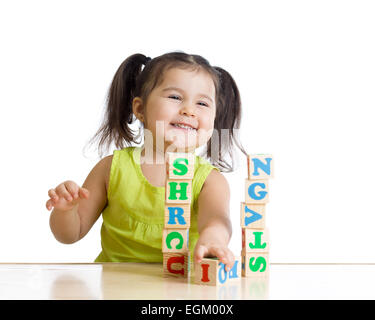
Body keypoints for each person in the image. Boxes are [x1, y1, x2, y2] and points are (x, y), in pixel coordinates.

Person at [46, 51, 246, 271]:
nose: (189, 110)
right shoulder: (111, 168)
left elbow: (217, 220)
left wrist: (213, 240)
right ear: (140, 109)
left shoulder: (209, 180)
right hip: (114, 289)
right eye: (175, 97)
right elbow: (70, 235)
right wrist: (65, 211)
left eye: (202, 103)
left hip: (178, 293)